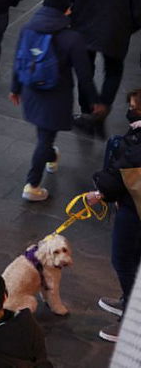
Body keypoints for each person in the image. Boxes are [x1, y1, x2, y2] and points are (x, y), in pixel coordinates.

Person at [12, 0, 101, 201]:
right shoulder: (72, 38)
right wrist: (94, 101)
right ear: (66, 11)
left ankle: (51, 156)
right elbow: (84, 75)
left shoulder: (27, 29)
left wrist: (15, 88)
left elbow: (19, 60)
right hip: (56, 96)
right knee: (45, 138)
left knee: (45, 135)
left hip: (31, 91)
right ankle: (32, 185)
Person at [59, 0, 141, 135]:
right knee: (113, 71)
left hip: (82, 31)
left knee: (84, 71)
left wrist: (69, 25)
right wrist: (127, 29)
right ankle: (102, 108)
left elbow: (62, 1)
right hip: (115, 33)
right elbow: (139, 11)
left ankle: (89, 109)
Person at [86, 87, 141, 341]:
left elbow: (124, 167)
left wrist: (100, 192)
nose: (129, 111)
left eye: (133, 107)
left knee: (123, 260)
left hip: (135, 207)